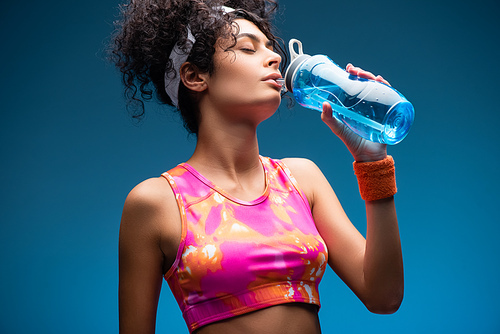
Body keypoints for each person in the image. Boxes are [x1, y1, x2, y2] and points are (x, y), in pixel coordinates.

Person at [110, 1, 404, 333]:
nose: (276, 57)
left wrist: (373, 163)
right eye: (247, 48)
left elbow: (384, 297)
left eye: (270, 46)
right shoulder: (155, 203)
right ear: (194, 76)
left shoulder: (301, 179)